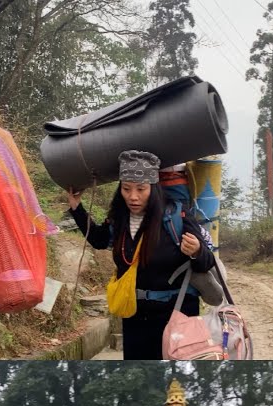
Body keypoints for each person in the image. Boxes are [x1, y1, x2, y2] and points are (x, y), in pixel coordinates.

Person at [65, 150, 216, 360]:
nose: (133, 197)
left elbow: (206, 262)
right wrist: (76, 208)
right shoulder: (120, 220)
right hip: (135, 314)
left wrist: (197, 251)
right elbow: (99, 240)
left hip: (176, 314)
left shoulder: (176, 215)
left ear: (153, 189)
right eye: (126, 189)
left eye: (141, 189)